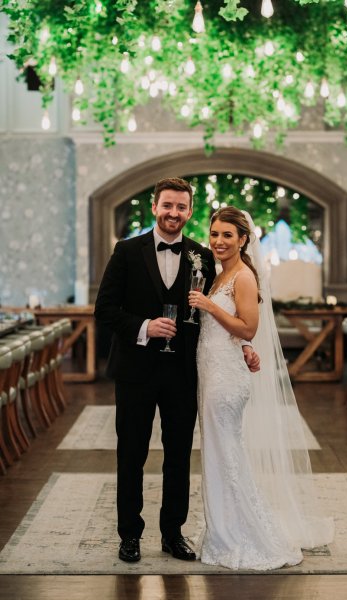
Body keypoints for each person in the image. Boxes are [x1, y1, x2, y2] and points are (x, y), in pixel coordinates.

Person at [94, 178, 259, 564]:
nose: (173, 213)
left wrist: (246, 344)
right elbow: (104, 310)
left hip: (184, 373)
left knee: (179, 456)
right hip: (135, 371)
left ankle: (173, 533)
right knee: (131, 455)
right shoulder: (126, 251)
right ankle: (130, 536)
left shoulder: (202, 255)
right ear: (155, 207)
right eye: (167, 205)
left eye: (181, 207)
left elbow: (220, 313)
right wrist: (144, 327)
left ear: (189, 211)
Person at [188, 206, 334, 570]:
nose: (218, 241)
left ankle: (247, 536)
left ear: (243, 240)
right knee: (218, 454)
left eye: (227, 235)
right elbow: (238, 334)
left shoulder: (243, 277)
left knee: (228, 455)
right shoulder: (221, 275)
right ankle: (224, 530)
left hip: (226, 380)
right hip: (212, 372)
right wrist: (245, 345)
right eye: (215, 234)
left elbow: (247, 327)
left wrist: (209, 306)